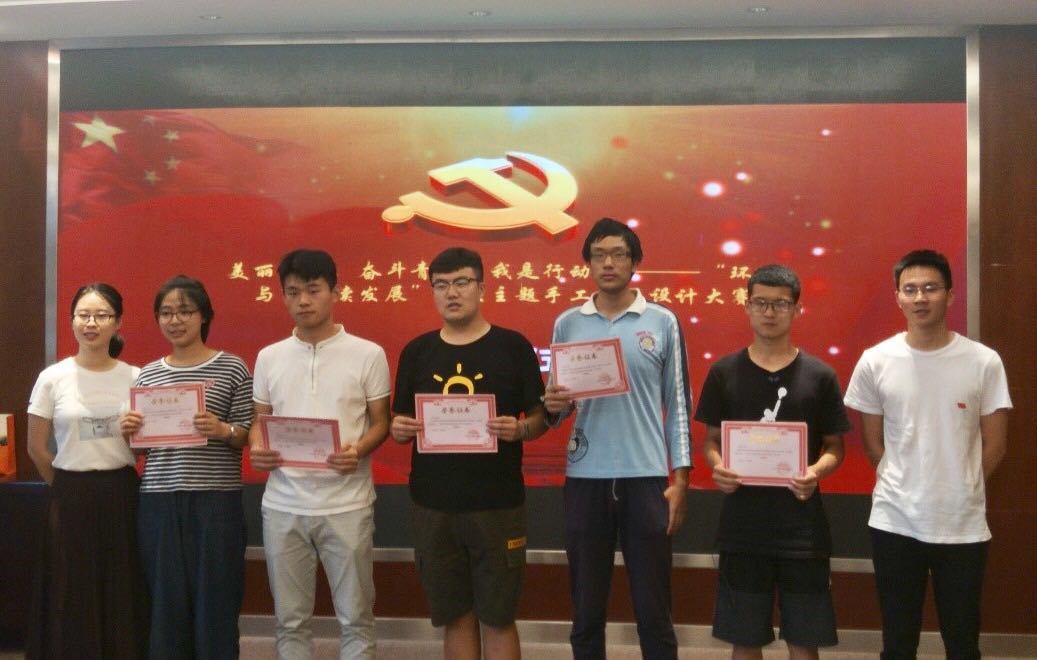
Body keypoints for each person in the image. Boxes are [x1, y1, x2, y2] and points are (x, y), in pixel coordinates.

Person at [844, 249, 1011, 660]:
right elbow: (872, 442)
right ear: (898, 297)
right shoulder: (875, 361)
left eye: (931, 288)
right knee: (898, 642)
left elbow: (996, 445)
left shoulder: (983, 361)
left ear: (950, 296)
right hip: (895, 521)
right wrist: (904, 482)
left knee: (962, 641)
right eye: (911, 289)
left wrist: (962, 486)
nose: (920, 298)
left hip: (962, 524)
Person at [543, 217, 692, 659]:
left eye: (619, 254)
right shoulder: (568, 323)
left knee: (653, 608)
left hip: (646, 478)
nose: (608, 263)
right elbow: (558, 411)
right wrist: (553, 405)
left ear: (634, 262)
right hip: (585, 477)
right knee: (586, 609)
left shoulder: (662, 321)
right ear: (588, 263)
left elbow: (678, 404)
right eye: (599, 255)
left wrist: (680, 479)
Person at [389, 247, 547, 660]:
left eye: (461, 282)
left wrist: (520, 429)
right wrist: (399, 429)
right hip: (433, 504)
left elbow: (539, 417)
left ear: (482, 287)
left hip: (497, 504)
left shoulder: (513, 346)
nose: (451, 293)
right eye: (441, 285)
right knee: (455, 616)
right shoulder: (417, 351)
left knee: (498, 617)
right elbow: (399, 421)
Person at [694, 264, 849, 660]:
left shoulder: (820, 375)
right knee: (744, 640)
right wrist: (718, 467)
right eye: (760, 302)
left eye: (780, 304)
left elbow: (835, 447)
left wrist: (815, 471)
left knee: (804, 641)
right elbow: (711, 441)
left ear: (797, 309)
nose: (769, 312)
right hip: (743, 528)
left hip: (803, 531)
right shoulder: (724, 372)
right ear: (747, 307)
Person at [248, 249, 391, 660]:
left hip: (347, 503)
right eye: (293, 292)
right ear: (283, 297)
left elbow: (381, 422)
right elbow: (260, 420)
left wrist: (358, 450)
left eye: (313, 290)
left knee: (356, 618)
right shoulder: (269, 356)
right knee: (289, 621)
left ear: (335, 292)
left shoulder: (368, 353)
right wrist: (257, 446)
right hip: (283, 504)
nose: (303, 301)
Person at [118, 275, 253, 659]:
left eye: (184, 311)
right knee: (165, 602)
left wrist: (222, 429)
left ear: (204, 315)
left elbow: (248, 433)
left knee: (217, 599)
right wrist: (130, 433)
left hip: (216, 500)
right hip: (158, 501)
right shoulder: (148, 374)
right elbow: (141, 451)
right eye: (166, 313)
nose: (175, 320)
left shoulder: (232, 368)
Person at [26, 283, 148, 659]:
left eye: (101, 315)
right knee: (71, 587)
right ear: (72, 321)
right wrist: (65, 486)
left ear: (118, 322)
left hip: (121, 490)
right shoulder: (53, 377)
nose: (91, 323)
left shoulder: (136, 377)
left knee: (121, 584)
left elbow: (143, 450)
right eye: (83, 315)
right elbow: (36, 448)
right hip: (70, 493)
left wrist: (132, 435)